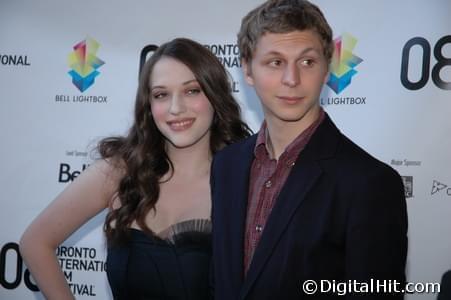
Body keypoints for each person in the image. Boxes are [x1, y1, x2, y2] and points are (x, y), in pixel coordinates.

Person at [20, 37, 251, 300]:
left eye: (192, 91)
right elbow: (35, 243)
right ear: (149, 106)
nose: (176, 108)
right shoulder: (119, 171)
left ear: (215, 96)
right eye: (161, 95)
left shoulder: (243, 182)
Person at [210, 0, 408, 299]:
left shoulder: (370, 183)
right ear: (247, 70)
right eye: (275, 62)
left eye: (307, 62)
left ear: (327, 69)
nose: (292, 79)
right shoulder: (226, 165)